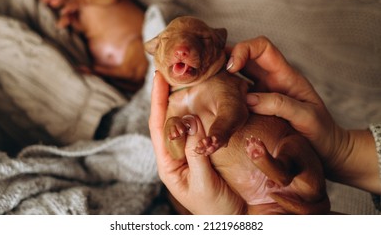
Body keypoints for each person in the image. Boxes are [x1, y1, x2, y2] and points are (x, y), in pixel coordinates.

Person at [149, 36, 381, 214]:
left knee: (292, 147)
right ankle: (274, 167)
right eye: (168, 40)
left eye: (202, 39)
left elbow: (234, 110)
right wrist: (343, 150)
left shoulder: (223, 80)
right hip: (256, 203)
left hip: (283, 169)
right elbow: (177, 151)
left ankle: (279, 168)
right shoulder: (172, 104)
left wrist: (230, 222)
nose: (181, 48)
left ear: (217, 42)